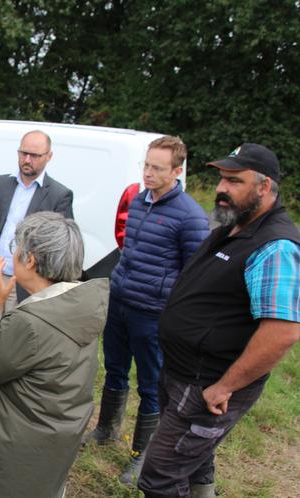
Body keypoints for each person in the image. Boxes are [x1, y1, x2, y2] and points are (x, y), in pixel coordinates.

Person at [137, 143, 300, 498]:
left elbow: (283, 332)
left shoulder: (275, 247)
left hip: (207, 385)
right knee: (190, 458)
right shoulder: (234, 226)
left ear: (264, 186)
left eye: (235, 181)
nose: (222, 188)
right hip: (182, 371)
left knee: (160, 476)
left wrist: (226, 386)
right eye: (222, 179)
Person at [0, 212, 109, 498]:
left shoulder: (31, 323)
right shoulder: (81, 303)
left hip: (8, 453)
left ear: (30, 261)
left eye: (15, 249)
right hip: (48, 445)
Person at [84, 136, 210, 485]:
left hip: (153, 314)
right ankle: (107, 429)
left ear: (177, 171)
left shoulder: (191, 217)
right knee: (114, 369)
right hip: (121, 302)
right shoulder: (139, 202)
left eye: (157, 168)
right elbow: (128, 249)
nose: (149, 173)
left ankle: (143, 454)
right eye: (146, 165)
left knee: (152, 386)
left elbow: (193, 276)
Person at [0, 129, 74, 312]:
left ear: (49, 156)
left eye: (35, 155)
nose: (27, 160)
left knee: (13, 338)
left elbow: (60, 249)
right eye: (24, 153)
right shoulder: (2, 183)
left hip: (26, 286)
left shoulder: (59, 195)